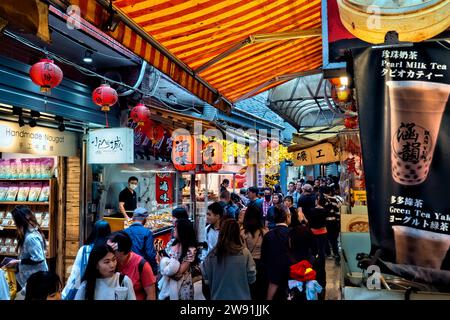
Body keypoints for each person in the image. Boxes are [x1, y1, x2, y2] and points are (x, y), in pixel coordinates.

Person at [201, 218, 256, 300]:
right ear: (237, 233)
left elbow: (206, 281)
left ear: (221, 232)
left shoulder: (211, 256)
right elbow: (252, 278)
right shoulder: (245, 253)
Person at [62, 219, 112, 300]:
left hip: (88, 288)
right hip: (107, 287)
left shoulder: (85, 250)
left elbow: (76, 272)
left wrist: (66, 293)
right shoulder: (111, 251)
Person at [5, 206, 48, 292]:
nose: (14, 223)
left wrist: (18, 262)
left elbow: (38, 258)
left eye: (15, 220)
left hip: (35, 280)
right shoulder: (30, 232)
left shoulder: (31, 238)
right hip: (33, 279)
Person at [108, 231, 156, 300]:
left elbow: (151, 295)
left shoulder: (142, 265)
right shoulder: (109, 263)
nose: (109, 253)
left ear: (121, 251)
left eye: (112, 251)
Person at [261, 206, 292, 300]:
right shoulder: (291, 234)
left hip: (271, 278)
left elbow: (264, 257)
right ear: (288, 216)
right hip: (290, 279)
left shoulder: (268, 235)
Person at [162, 218, 198, 300]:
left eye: (176, 228)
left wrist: (165, 268)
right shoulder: (171, 242)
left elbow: (179, 272)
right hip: (167, 285)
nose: (173, 229)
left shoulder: (191, 249)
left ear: (183, 230)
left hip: (182, 287)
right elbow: (161, 259)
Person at [241, 206, 268, 300]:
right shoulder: (265, 232)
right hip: (262, 265)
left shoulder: (242, 233)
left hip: (246, 265)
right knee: (260, 292)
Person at [124, 207, 157, 274]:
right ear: (144, 219)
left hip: (128, 267)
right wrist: (154, 270)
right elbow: (150, 254)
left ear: (133, 218)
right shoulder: (147, 233)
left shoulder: (125, 232)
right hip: (142, 267)